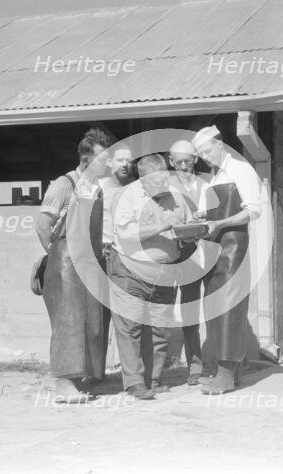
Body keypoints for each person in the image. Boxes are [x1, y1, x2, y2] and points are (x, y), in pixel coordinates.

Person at [35, 128, 111, 403]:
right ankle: (64, 384)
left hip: (89, 260)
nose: (107, 164)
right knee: (68, 322)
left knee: (92, 321)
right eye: (102, 159)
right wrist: (58, 256)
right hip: (66, 260)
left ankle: (85, 377)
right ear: (84, 159)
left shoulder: (96, 188)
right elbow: (43, 226)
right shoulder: (63, 185)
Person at [109, 154, 192, 399]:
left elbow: (186, 226)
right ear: (142, 180)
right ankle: (134, 383)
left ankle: (153, 380)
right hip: (130, 270)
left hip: (165, 271)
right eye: (157, 182)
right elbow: (125, 234)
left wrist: (192, 230)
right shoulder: (125, 196)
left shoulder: (176, 196)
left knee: (159, 328)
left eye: (166, 178)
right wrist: (163, 226)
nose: (164, 185)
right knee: (131, 327)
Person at [192, 126, 262, 394]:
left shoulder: (241, 169)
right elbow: (205, 214)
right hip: (212, 250)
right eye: (200, 154)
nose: (205, 157)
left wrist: (220, 223)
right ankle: (227, 372)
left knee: (229, 308)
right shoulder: (211, 179)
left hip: (234, 248)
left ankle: (226, 376)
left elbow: (253, 211)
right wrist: (200, 219)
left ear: (220, 144)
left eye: (207, 150)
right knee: (214, 308)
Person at [167, 140, 209, 385]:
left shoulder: (208, 182)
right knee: (188, 310)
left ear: (195, 159)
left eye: (188, 160)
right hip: (181, 253)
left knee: (214, 307)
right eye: (178, 162)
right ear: (171, 162)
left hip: (209, 250)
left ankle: (222, 360)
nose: (184, 166)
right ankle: (194, 365)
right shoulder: (166, 185)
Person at [97, 144, 134, 375]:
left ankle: (127, 370)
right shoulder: (97, 188)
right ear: (110, 162)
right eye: (120, 159)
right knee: (98, 316)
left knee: (127, 316)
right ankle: (96, 371)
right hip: (101, 255)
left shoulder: (135, 189)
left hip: (126, 259)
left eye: (129, 160)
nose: (125, 164)